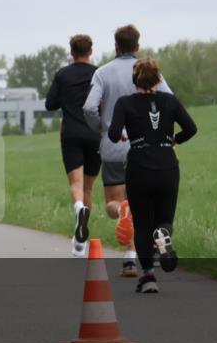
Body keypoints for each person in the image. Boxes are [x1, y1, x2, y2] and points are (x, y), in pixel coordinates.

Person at [83, 24, 173, 277]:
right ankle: (132, 257)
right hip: (145, 146)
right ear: (137, 46)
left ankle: (125, 222)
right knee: (143, 208)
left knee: (115, 203)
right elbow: (169, 99)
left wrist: (102, 128)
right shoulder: (146, 71)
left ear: (115, 46)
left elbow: (89, 107)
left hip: (112, 145)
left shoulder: (102, 73)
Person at [108, 58, 196, 293]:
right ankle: (164, 234)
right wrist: (175, 139)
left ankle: (148, 277)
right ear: (158, 79)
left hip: (139, 166)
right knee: (164, 218)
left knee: (143, 223)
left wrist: (124, 136)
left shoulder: (125, 103)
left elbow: (113, 133)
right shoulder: (170, 101)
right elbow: (192, 128)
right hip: (168, 165)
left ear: (135, 79)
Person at [45, 34, 101, 257]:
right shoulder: (99, 74)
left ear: (71, 52)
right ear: (91, 51)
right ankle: (82, 241)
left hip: (70, 134)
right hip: (94, 134)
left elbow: (50, 104)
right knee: (88, 187)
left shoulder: (62, 75)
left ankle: (79, 211)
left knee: (76, 185)